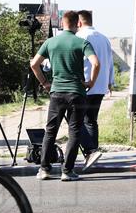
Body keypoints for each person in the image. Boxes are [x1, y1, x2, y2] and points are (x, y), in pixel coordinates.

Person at [29, 10, 100, 181]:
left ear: (62, 23)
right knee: (74, 131)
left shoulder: (50, 42)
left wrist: (45, 83)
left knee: (50, 131)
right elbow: (96, 63)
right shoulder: (81, 42)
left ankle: (44, 169)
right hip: (77, 92)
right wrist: (90, 82)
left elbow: (34, 64)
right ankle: (67, 171)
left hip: (57, 92)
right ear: (78, 24)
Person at [76, 10, 114, 171]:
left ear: (79, 22)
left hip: (85, 84)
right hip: (100, 86)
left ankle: (90, 152)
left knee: (77, 121)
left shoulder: (80, 37)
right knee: (91, 120)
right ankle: (93, 153)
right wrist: (110, 82)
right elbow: (109, 62)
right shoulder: (104, 38)